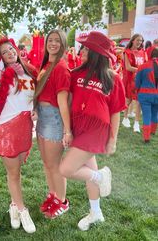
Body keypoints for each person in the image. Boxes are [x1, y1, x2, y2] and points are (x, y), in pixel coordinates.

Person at [60, 31, 126, 231]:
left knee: (66, 169)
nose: (82, 51)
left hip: (97, 129)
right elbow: (68, 102)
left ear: (97, 53)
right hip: (79, 127)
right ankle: (96, 212)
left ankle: (101, 177)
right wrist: (67, 130)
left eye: (87, 48)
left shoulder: (112, 78)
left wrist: (112, 140)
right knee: (90, 171)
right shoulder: (76, 73)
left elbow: (116, 112)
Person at [0, 0, 37, 234]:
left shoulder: (28, 74)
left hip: (25, 128)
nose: (8, 53)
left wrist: (36, 109)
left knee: (16, 172)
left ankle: (13, 205)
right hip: (5, 130)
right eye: (4, 52)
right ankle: (23, 210)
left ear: (17, 50)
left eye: (11, 49)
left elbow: (34, 98)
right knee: (13, 172)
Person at [34, 29, 71, 219]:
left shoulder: (61, 67)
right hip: (42, 118)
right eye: (51, 40)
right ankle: (53, 195)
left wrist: (67, 130)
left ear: (63, 44)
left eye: (58, 41)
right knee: (47, 164)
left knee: (55, 165)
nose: (53, 43)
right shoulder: (47, 64)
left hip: (54, 119)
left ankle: (63, 201)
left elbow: (63, 102)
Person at [121, 34, 146, 132]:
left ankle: (136, 123)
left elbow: (145, 64)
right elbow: (128, 67)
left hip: (140, 79)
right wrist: (142, 70)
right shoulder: (127, 52)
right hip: (129, 79)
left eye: (141, 41)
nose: (139, 42)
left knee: (139, 100)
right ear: (132, 40)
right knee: (129, 100)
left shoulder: (142, 52)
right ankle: (125, 118)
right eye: (138, 40)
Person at [135, 46, 158, 142]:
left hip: (145, 95)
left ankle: (146, 137)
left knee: (146, 116)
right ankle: (153, 131)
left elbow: (137, 83)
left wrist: (137, 92)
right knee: (155, 114)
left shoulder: (142, 67)